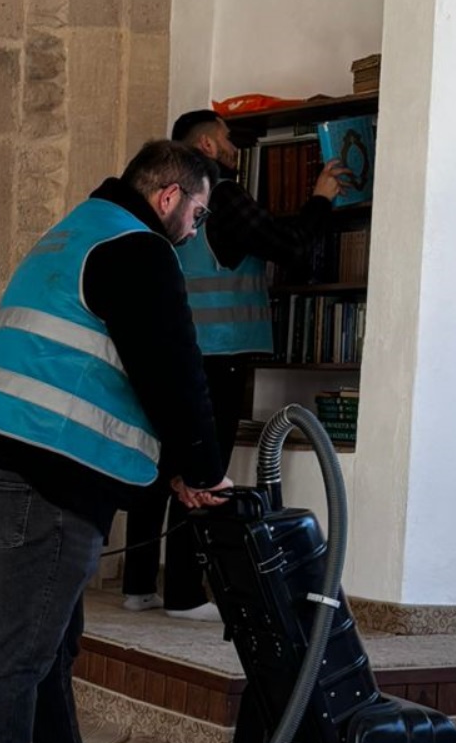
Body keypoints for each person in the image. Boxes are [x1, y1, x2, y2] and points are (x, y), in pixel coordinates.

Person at [0, 139, 230, 743]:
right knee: (22, 650)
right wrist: (202, 468)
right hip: (42, 476)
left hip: (9, 459)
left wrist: (171, 468)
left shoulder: (74, 233)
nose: (195, 231)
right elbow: (172, 371)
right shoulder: (137, 249)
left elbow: (104, 364)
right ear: (168, 197)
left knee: (51, 640)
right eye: (196, 213)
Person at [119, 105, 350, 617]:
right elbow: (288, 246)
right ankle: (183, 592)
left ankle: (137, 587)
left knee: (161, 466)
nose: (234, 147)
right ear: (205, 146)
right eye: (226, 138)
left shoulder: (161, 202)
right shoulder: (222, 194)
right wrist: (321, 199)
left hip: (171, 347)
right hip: (218, 354)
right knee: (202, 469)